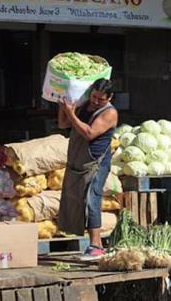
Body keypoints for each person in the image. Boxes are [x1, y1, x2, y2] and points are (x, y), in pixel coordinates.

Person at [57, 79, 118, 260]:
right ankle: (90, 242)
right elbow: (62, 124)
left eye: (100, 99)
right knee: (77, 199)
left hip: (96, 163)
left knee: (92, 199)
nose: (95, 101)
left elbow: (89, 133)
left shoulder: (109, 113)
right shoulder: (85, 107)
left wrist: (72, 114)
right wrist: (63, 106)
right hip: (79, 161)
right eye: (94, 97)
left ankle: (96, 246)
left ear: (109, 97)